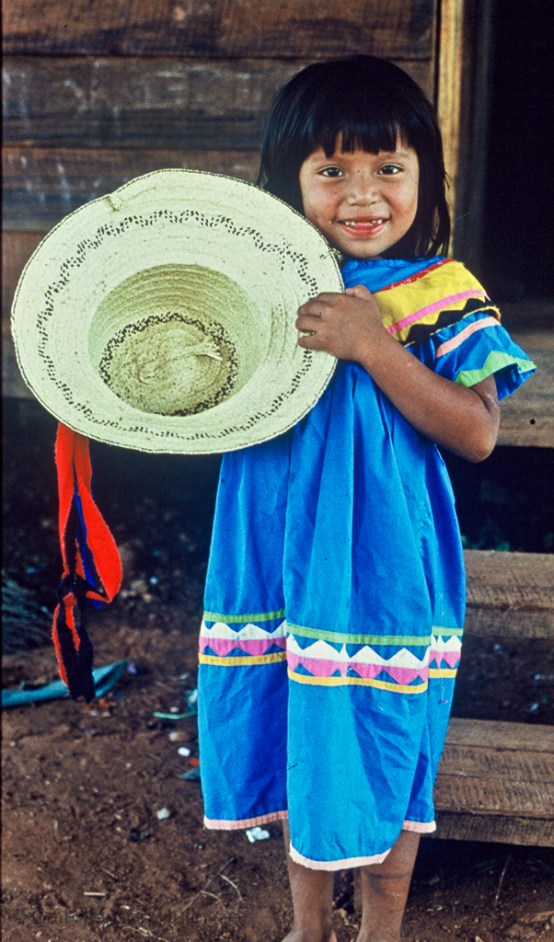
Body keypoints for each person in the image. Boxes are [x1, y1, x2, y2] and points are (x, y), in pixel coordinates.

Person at [197, 56, 535, 942]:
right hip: (278, 551)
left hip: (386, 560)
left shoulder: (439, 293)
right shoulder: (265, 292)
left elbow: (478, 431)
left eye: (390, 168)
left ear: (425, 175)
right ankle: (310, 929)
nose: (365, 194)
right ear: (286, 182)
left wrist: (375, 346)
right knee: (301, 726)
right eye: (332, 170)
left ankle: (380, 932)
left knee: (386, 730)